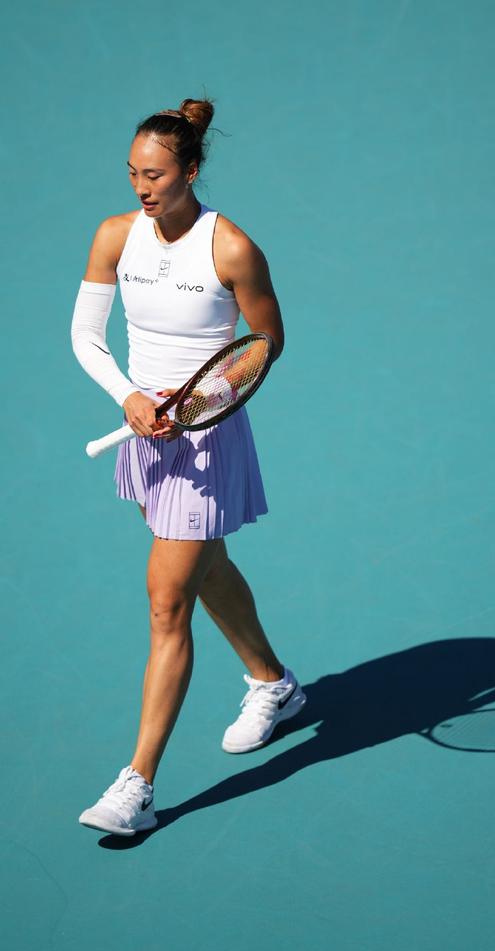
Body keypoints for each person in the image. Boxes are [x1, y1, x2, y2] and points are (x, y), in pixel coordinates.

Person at [71, 97, 306, 837]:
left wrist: (203, 402)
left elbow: (265, 343)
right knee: (206, 569)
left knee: (168, 601)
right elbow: (85, 335)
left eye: (157, 176)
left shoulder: (231, 248)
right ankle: (274, 683)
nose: (143, 188)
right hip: (145, 431)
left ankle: (136, 787)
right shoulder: (115, 235)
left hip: (205, 440)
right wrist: (130, 396)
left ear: (192, 171)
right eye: (133, 174)